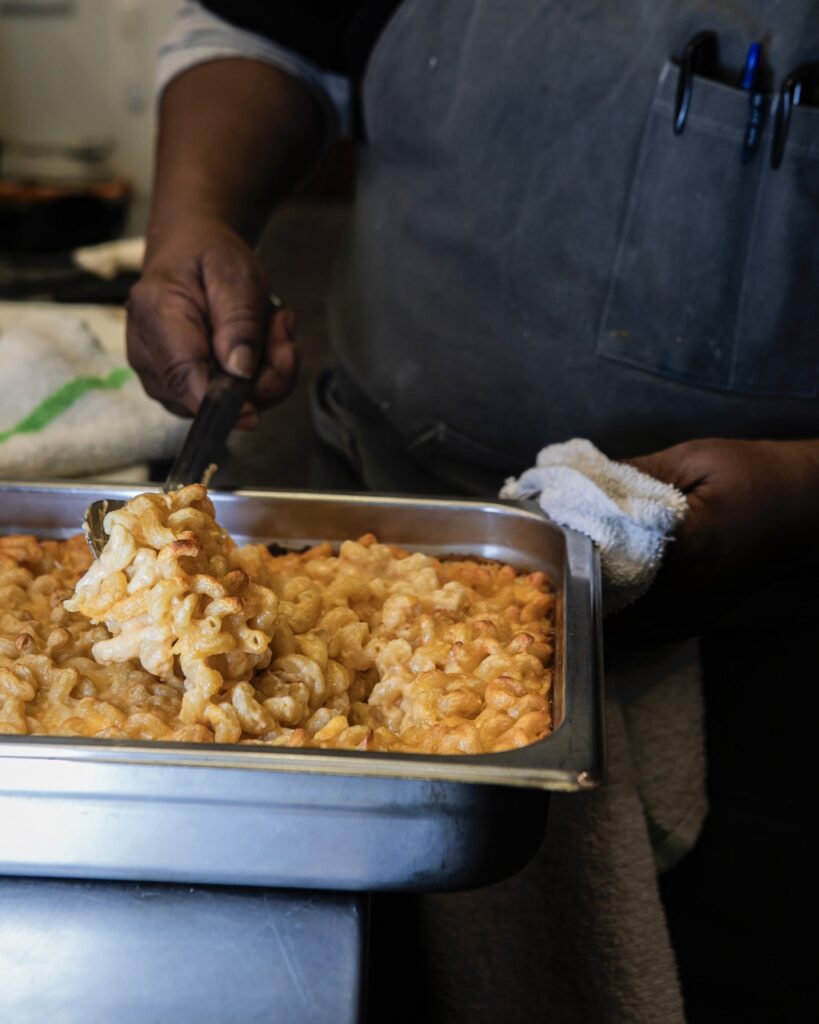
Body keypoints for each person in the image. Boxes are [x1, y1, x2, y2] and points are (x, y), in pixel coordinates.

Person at [129, 3, 819, 1021]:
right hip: (380, 505)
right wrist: (194, 218)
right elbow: (263, 31)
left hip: (777, 644)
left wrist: (804, 490)